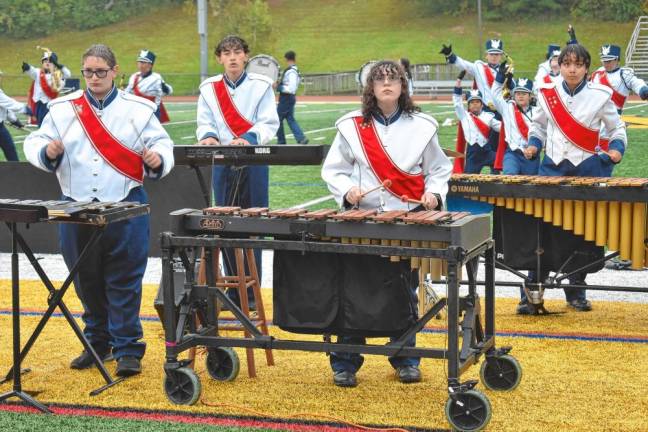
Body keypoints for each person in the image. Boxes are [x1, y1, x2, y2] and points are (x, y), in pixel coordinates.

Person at [23, 44, 175, 376]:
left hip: (125, 203)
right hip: (75, 206)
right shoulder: (62, 108)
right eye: (88, 72)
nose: (94, 78)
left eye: (101, 72)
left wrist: (157, 159)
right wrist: (46, 151)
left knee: (124, 278)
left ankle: (127, 348)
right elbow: (33, 142)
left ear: (115, 71)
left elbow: (164, 144)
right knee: (85, 279)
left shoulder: (139, 108)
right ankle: (97, 343)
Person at [321, 60, 452, 388]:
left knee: (403, 290)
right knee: (351, 289)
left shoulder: (423, 126)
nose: (387, 84)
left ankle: (406, 357)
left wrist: (434, 193)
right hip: (362, 219)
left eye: (393, 79)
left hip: (406, 219)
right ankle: (346, 361)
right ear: (371, 88)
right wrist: (347, 189)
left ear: (403, 85)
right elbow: (334, 169)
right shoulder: (351, 126)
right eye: (379, 80)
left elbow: (438, 169)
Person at [527, 43, 626, 312]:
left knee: (583, 230)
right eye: (567, 63)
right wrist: (534, 143)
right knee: (544, 228)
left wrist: (616, 150)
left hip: (587, 167)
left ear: (586, 68)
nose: (572, 69)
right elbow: (538, 126)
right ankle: (534, 289)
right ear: (559, 65)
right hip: (553, 167)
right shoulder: (547, 92)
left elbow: (617, 128)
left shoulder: (601, 95)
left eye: (578, 64)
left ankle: (576, 290)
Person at [196, 35, 279, 305]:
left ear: (246, 56)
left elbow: (269, 122)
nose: (232, 57)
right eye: (226, 53)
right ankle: (233, 292)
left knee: (253, 224)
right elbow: (205, 121)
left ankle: (252, 295)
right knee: (226, 224)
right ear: (219, 58)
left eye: (237, 52)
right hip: (222, 161)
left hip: (253, 161)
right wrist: (208, 136)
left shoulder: (262, 86)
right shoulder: (209, 88)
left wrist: (249, 138)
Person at [492, 65, 539, 175]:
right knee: (509, 180)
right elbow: (495, 95)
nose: (520, 96)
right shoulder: (507, 107)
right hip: (512, 153)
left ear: (530, 96)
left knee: (531, 189)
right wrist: (499, 77)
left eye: (524, 93)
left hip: (531, 156)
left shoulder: (538, 111)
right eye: (518, 93)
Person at [452, 78, 501, 174]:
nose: (475, 105)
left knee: (504, 163)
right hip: (473, 155)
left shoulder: (488, 116)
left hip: (487, 152)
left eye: (477, 102)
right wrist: (457, 88)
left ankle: (498, 184)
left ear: (482, 104)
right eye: (472, 102)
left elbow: (501, 128)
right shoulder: (464, 116)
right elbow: (457, 104)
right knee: (469, 182)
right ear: (469, 105)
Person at [590, 44, 648, 114]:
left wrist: (643, 89)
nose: (606, 64)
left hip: (613, 116)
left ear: (617, 60)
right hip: (594, 113)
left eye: (608, 61)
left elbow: (636, 83)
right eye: (604, 61)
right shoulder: (598, 72)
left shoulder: (624, 74)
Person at [22, 50, 71, 126]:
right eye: (45, 61)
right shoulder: (38, 73)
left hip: (49, 103)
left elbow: (68, 74)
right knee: (40, 124)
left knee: (46, 124)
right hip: (38, 103)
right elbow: (32, 71)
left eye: (50, 61)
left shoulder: (57, 74)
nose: (47, 63)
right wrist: (28, 68)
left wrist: (58, 65)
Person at [125, 50, 173, 123]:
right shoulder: (134, 77)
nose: (140, 64)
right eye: (139, 62)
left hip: (152, 111)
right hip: (137, 110)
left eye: (143, 62)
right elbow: (127, 93)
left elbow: (168, 91)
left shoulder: (156, 78)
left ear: (150, 65)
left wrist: (164, 87)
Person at [276, 50, 308, 144]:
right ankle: (301, 138)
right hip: (288, 98)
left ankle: (281, 141)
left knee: (277, 119)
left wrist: (279, 87)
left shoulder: (292, 72)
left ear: (286, 59)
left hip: (287, 98)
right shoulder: (293, 70)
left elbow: (291, 89)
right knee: (290, 119)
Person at [0, 70, 30, 161]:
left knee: (10, 150)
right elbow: (12, 104)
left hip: (1, 128)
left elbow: (6, 108)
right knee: (10, 151)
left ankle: (15, 172)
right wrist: (27, 110)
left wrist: (15, 121)